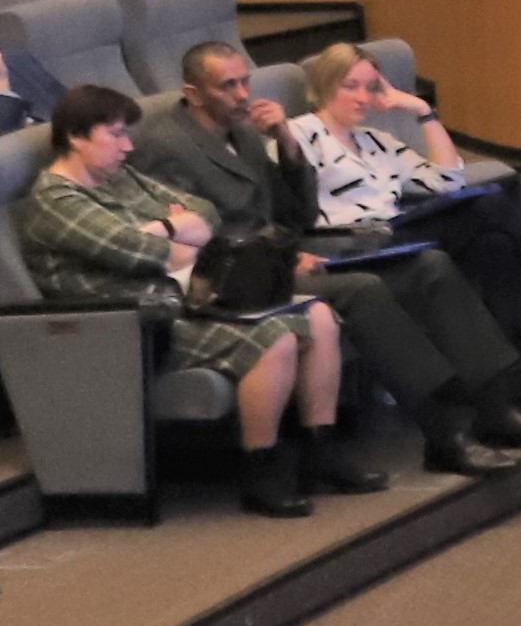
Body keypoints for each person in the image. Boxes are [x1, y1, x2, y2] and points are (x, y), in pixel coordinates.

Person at [139, 44, 521, 477]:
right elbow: (192, 238)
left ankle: (497, 405)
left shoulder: (247, 132)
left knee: (431, 266)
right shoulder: (165, 146)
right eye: (227, 86)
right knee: (363, 289)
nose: (242, 94)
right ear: (194, 94)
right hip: (230, 280)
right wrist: (280, 259)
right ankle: (444, 431)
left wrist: (286, 143)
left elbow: (296, 216)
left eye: (244, 82)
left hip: (282, 256)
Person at [21, 80, 360, 516]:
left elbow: (206, 212)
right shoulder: (55, 199)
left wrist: (171, 231)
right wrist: (172, 229)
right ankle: (261, 470)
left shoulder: (120, 178)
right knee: (276, 337)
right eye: (116, 134)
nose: (128, 146)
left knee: (319, 317)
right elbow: (135, 250)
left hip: (187, 300)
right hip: (134, 325)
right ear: (75, 136)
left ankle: (320, 452)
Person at [292, 44, 521, 371]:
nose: (362, 98)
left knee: (495, 245)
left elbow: (449, 180)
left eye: (370, 87)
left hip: (394, 237)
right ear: (326, 84)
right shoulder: (299, 134)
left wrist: (423, 111)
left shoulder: (376, 141)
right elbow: (286, 202)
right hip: (352, 245)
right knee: (490, 205)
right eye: (350, 86)